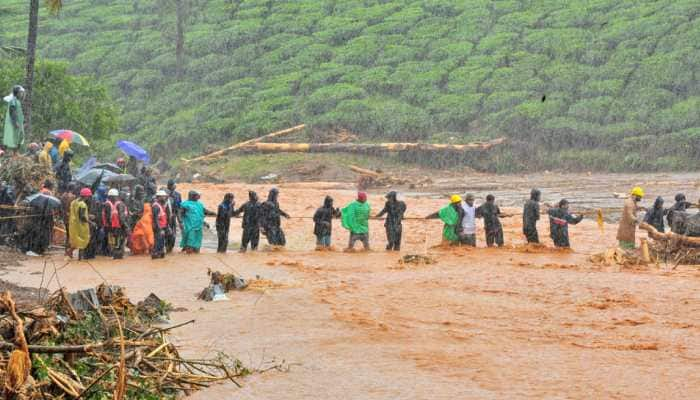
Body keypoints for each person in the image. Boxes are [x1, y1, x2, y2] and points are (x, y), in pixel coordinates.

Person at [103, 188, 130, 259]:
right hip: (118, 226)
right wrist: (126, 227)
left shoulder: (116, 204)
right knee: (119, 241)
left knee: (116, 242)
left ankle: (116, 255)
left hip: (115, 226)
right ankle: (117, 255)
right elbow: (121, 217)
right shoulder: (120, 205)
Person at [68, 188, 92, 260]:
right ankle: (80, 259)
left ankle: (70, 251)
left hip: (73, 225)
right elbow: (82, 217)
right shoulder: (83, 204)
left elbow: (76, 213)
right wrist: (91, 222)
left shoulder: (73, 202)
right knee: (83, 241)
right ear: (86, 196)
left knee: (76, 240)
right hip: (81, 226)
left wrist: (88, 215)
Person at [3, 85, 25, 154]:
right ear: (17, 93)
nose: (22, 94)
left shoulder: (17, 101)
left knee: (19, 137)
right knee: (14, 138)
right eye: (20, 92)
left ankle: (15, 153)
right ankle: (12, 153)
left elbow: (19, 112)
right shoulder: (13, 100)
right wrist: (15, 122)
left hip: (19, 123)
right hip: (14, 123)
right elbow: (12, 112)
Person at [59, 182, 77, 257]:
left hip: (65, 217)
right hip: (71, 218)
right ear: (73, 188)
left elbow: (61, 208)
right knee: (72, 235)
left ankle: (66, 250)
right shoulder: (73, 197)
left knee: (68, 234)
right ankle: (70, 251)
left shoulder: (63, 196)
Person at [151, 190, 170, 258]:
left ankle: (160, 252)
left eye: (165, 197)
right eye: (163, 197)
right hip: (158, 227)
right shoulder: (156, 206)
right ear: (159, 197)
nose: (164, 198)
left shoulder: (161, 205)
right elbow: (155, 219)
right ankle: (155, 253)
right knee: (158, 241)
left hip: (162, 226)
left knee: (161, 241)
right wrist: (159, 229)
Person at [166, 179, 182, 253]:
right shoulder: (164, 194)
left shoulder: (178, 195)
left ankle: (170, 248)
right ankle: (165, 247)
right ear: (168, 186)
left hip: (173, 217)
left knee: (173, 234)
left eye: (175, 184)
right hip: (164, 218)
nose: (175, 186)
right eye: (173, 185)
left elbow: (179, 208)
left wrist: (180, 221)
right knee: (165, 233)